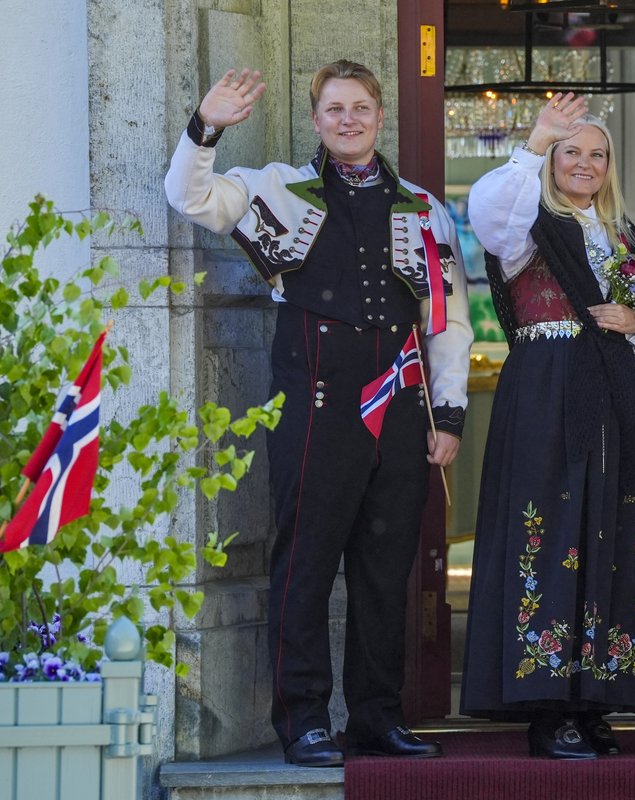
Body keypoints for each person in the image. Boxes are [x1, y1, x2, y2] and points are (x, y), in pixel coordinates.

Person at [164, 61, 472, 766]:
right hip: (314, 402)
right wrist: (206, 126)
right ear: (316, 118)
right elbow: (189, 196)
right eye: (335, 109)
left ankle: (376, 717)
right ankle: (302, 719)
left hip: (398, 404)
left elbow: (447, 319)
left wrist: (447, 415)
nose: (348, 119)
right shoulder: (277, 186)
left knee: (384, 566)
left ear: (380, 114)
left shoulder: (423, 207)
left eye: (361, 107)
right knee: (303, 563)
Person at [460, 94, 635, 759]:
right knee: (550, 531)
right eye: (571, 151)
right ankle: (545, 702)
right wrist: (534, 142)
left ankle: (593, 698)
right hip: (546, 388)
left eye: (596, 153)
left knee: (609, 536)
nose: (584, 163)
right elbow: (489, 220)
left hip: (613, 394)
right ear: (552, 160)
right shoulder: (528, 222)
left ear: (610, 165)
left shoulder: (625, 236)